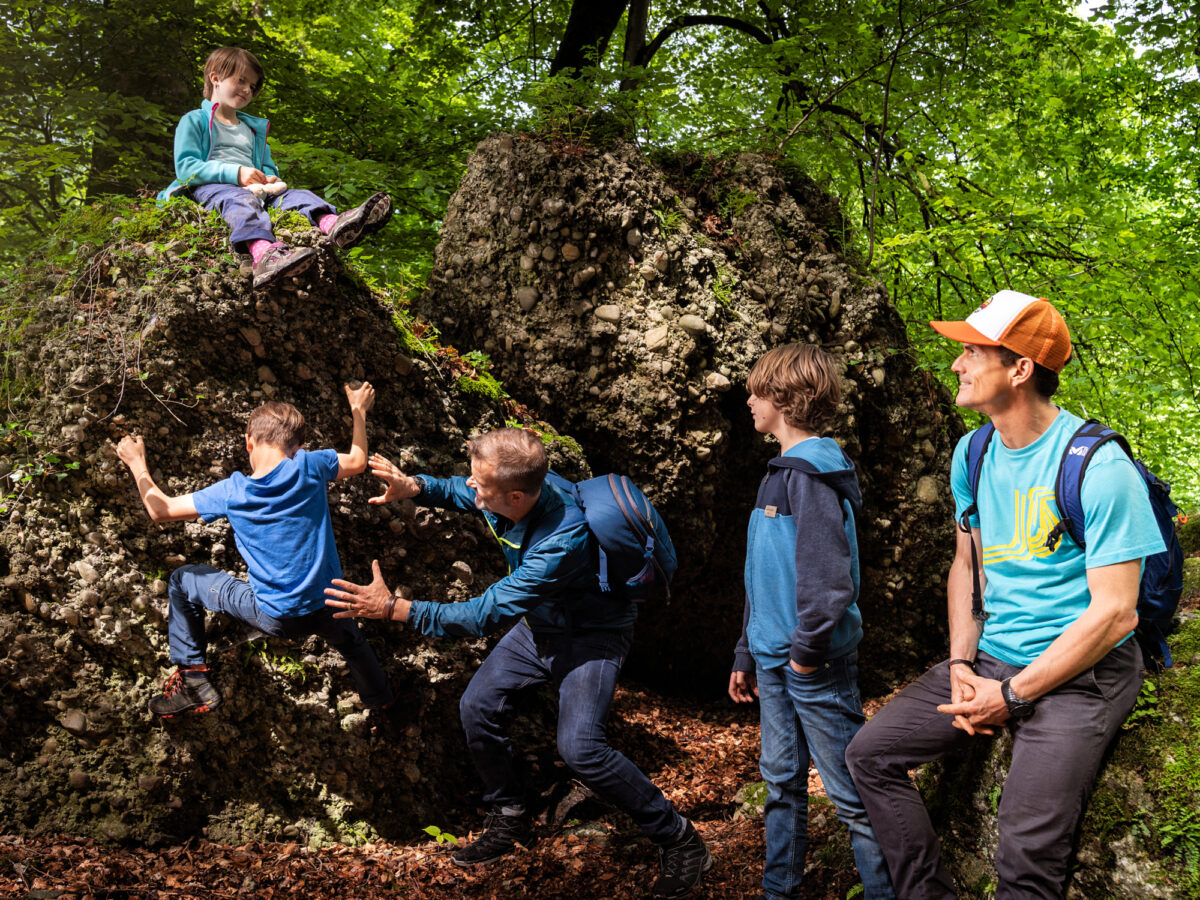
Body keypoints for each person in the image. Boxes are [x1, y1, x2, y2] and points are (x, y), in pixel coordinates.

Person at [845, 290, 1165, 899]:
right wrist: (964, 664)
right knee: (868, 755)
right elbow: (967, 565)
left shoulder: (1099, 467)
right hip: (995, 654)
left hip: (1083, 673)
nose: (957, 366)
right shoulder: (975, 450)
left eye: (972, 352)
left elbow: (1116, 612)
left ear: (1019, 369)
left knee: (1023, 853)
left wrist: (1011, 696)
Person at [323, 427, 711, 899]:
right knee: (478, 707)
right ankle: (510, 813)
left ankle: (680, 839)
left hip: (593, 637)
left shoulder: (561, 540)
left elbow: (483, 614)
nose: (471, 488)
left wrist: (393, 609)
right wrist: (418, 486)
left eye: (480, 485)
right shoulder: (513, 492)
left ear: (515, 495)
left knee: (582, 747)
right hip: (542, 626)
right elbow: (469, 496)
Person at [116, 383, 394, 720]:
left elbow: (160, 511)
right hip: (329, 606)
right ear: (297, 447)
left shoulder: (233, 492)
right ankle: (381, 702)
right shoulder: (310, 465)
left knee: (181, 581)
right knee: (352, 642)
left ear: (249, 441)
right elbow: (359, 460)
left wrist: (137, 463)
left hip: (275, 617)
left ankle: (193, 682)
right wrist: (358, 411)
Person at [728, 344, 895, 900]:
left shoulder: (811, 474)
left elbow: (828, 586)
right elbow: (763, 573)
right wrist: (746, 653)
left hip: (811, 665)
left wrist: (802, 656)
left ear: (783, 398)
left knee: (853, 796)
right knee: (780, 782)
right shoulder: (778, 472)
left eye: (756, 391)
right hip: (776, 659)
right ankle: (781, 891)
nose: (748, 400)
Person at [157, 47, 392, 290]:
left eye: (252, 86)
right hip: (213, 187)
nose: (247, 89)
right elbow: (186, 168)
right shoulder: (194, 120)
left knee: (299, 195)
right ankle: (264, 255)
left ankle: (335, 225)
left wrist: (269, 177)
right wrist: (236, 173)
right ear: (215, 78)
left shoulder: (253, 130)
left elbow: (266, 165)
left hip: (258, 188)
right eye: (241, 80)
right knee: (241, 202)